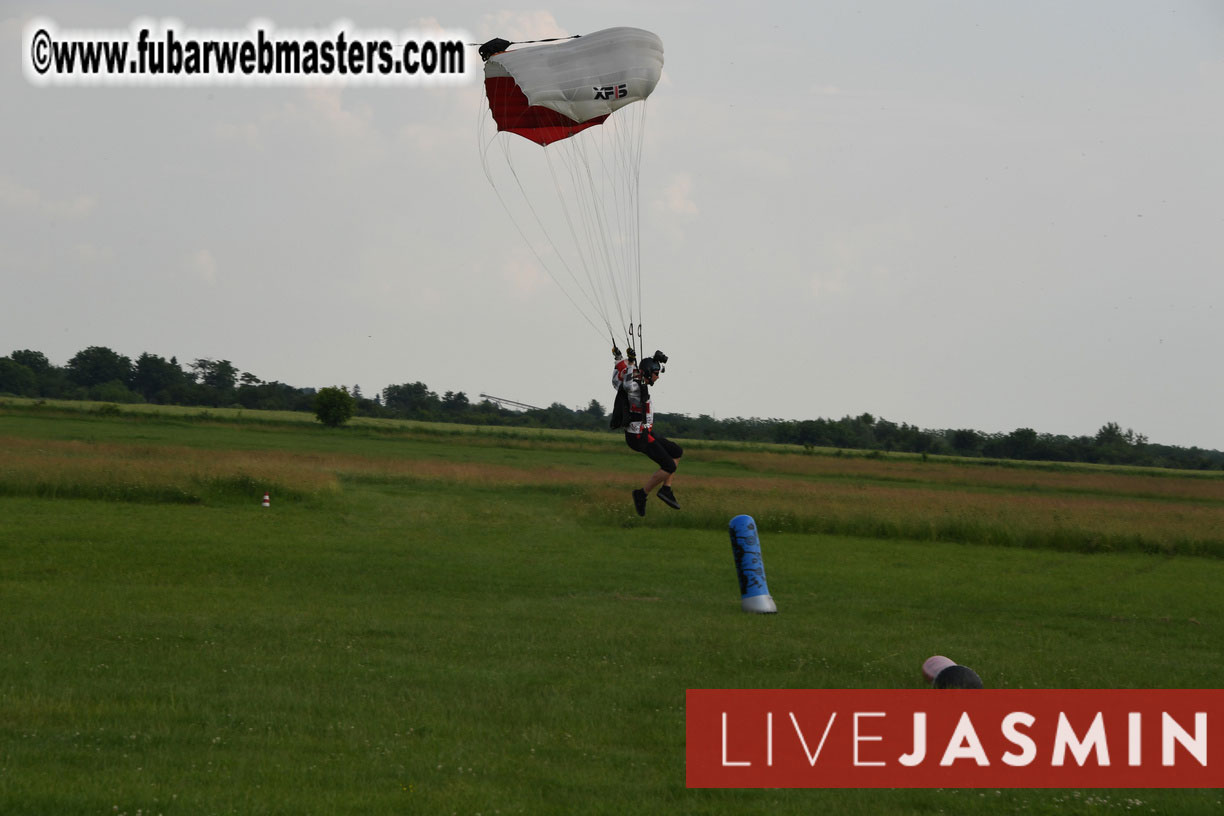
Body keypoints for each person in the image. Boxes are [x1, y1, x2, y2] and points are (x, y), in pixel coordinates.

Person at [612, 346, 682, 516]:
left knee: (676, 451)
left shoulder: (637, 380)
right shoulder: (634, 386)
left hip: (644, 432)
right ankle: (641, 494)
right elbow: (628, 383)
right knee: (669, 466)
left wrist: (620, 358)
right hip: (638, 436)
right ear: (649, 372)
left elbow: (617, 378)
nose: (658, 377)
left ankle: (666, 489)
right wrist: (631, 363)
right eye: (656, 373)